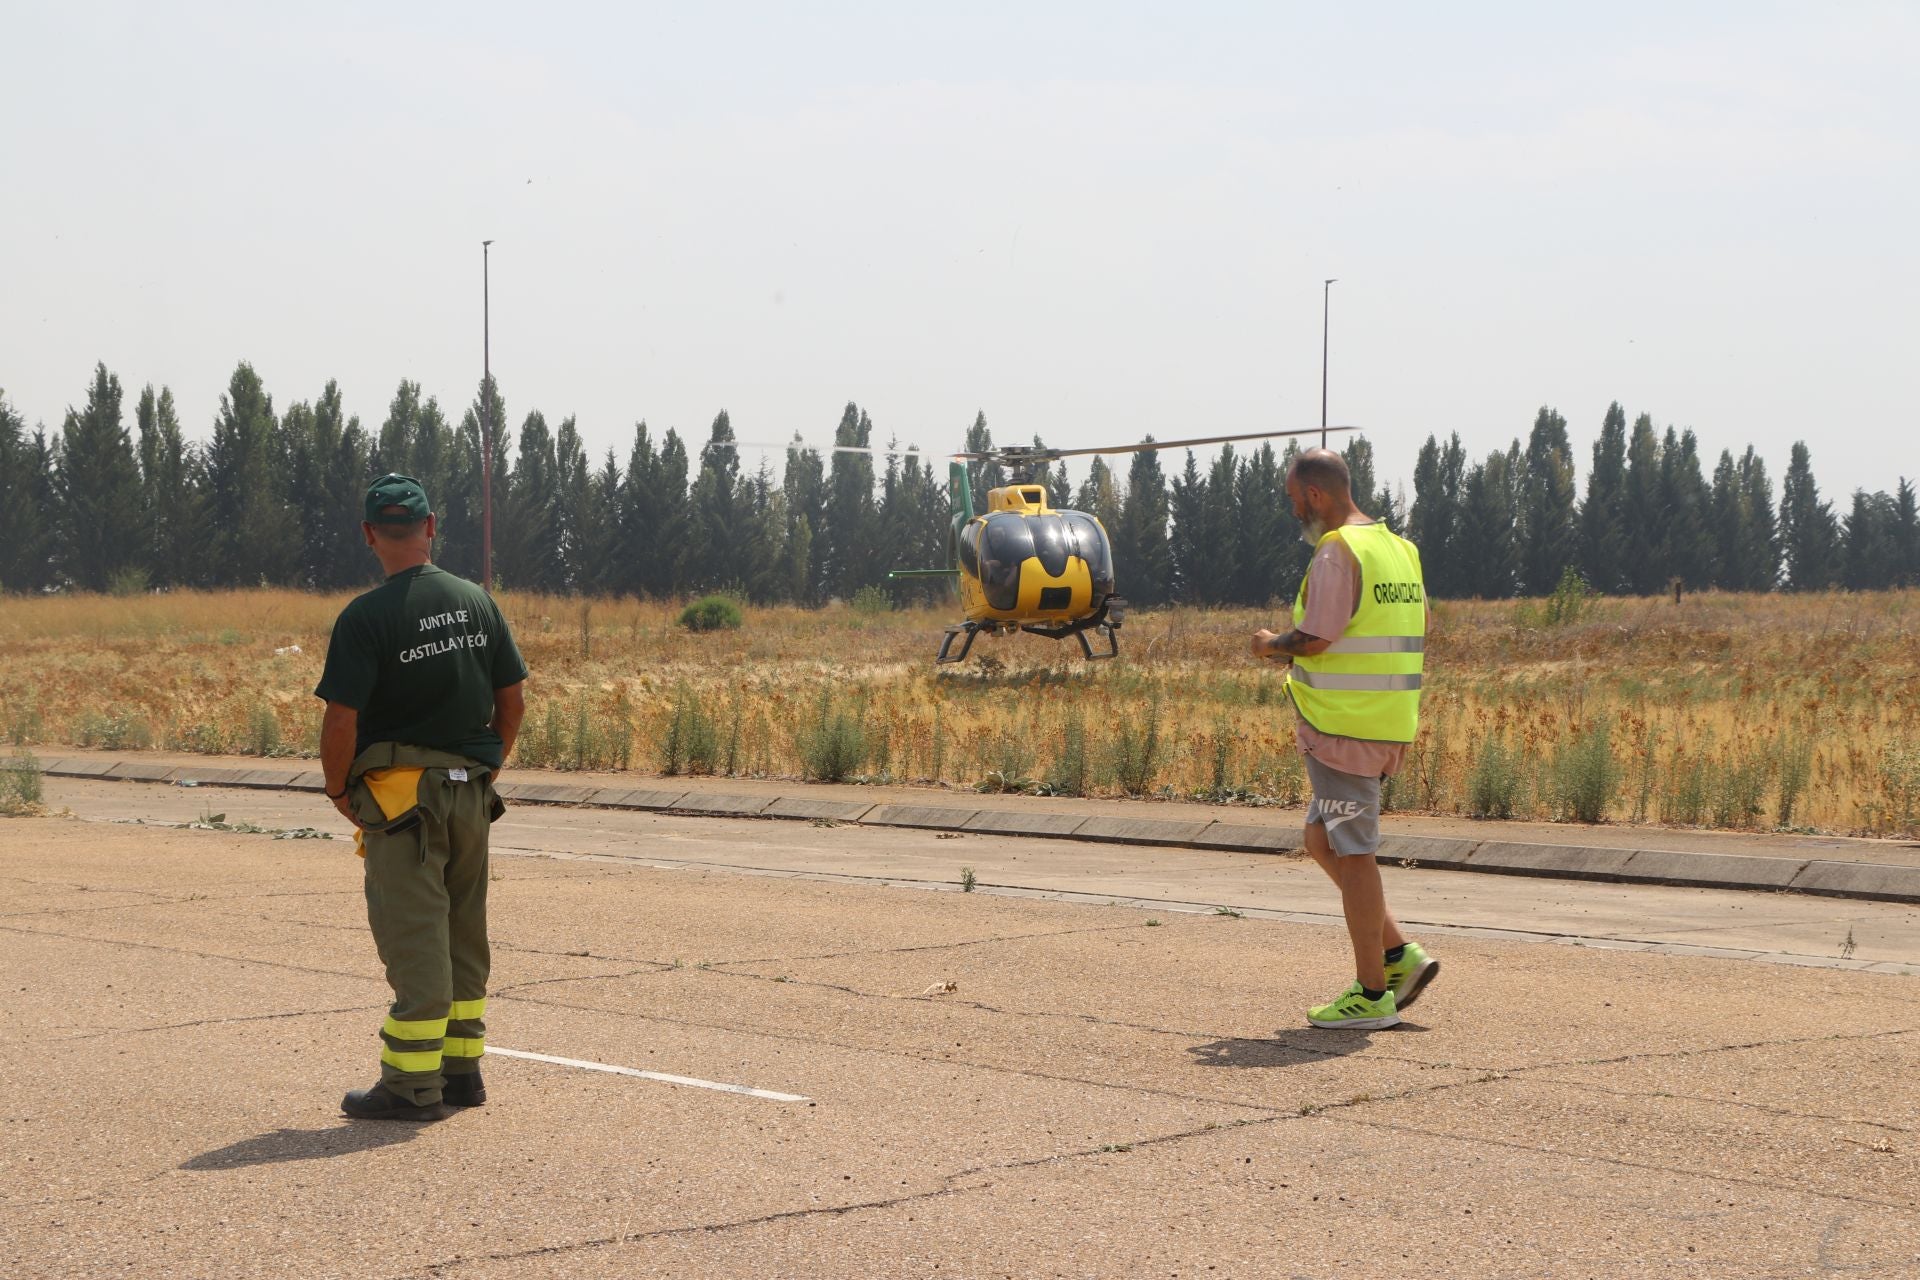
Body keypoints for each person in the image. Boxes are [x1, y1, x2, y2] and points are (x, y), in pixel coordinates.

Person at [316, 474, 527, 1120]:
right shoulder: (478, 603)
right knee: (466, 934)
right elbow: (512, 702)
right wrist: (486, 768)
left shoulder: (365, 618)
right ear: (431, 526)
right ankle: (461, 1073)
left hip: (403, 800)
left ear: (370, 534)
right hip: (471, 795)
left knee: (415, 937)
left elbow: (341, 722)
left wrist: (336, 789)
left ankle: (410, 1086)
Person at [1251, 449, 1435, 1030]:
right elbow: (1420, 625)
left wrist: (1267, 644)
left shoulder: (1338, 550)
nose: (1291, 510)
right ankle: (1399, 953)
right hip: (1385, 722)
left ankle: (1371, 992)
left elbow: (1315, 638)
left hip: (1342, 729)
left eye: (1291, 498)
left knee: (1353, 853)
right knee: (1320, 839)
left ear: (1314, 495)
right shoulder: (1399, 549)